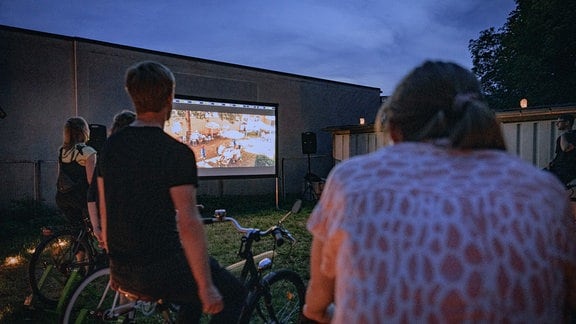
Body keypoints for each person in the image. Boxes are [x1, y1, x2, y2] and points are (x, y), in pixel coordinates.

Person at [302, 61, 576, 323]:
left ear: (395, 129)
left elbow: (317, 301)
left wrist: (323, 314)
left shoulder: (352, 181)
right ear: (478, 119)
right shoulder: (543, 192)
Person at [97, 61, 245, 322]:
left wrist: (116, 267)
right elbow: (189, 223)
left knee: (191, 299)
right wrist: (206, 285)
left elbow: (106, 210)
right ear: (170, 98)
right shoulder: (176, 153)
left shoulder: (111, 147)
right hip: (160, 267)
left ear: (133, 97)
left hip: (123, 268)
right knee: (233, 293)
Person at [87, 110, 136, 245]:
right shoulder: (136, 157)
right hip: (132, 227)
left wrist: (96, 227)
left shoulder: (105, 156)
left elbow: (91, 195)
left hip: (111, 227)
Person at [56, 116, 97, 229]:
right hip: (81, 197)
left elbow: (60, 176)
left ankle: (79, 246)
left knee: (78, 231)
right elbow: (91, 181)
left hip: (62, 197)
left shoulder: (62, 151)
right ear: (84, 131)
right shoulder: (88, 152)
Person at [546, 114, 576, 186]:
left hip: (567, 170)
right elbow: (559, 155)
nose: (556, 124)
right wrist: (552, 162)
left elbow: (565, 148)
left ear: (567, 123)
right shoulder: (560, 138)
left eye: (559, 122)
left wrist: (563, 134)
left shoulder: (574, 135)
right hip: (557, 168)